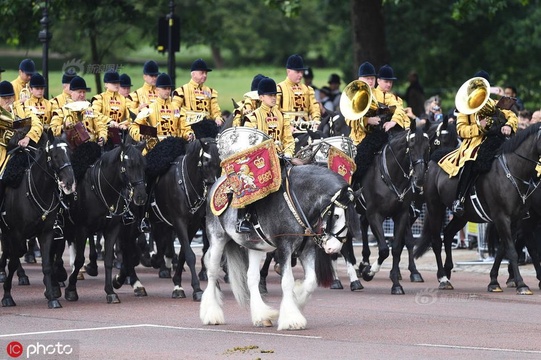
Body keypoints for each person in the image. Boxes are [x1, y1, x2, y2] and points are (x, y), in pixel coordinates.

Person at [438, 71, 518, 216]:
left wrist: (509, 125)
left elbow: (511, 115)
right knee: (470, 160)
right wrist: (479, 127)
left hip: (496, 140)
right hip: (473, 144)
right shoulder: (465, 109)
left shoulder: (494, 103)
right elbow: (461, 130)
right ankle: (460, 199)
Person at [235, 77, 294, 232]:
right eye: (270, 95)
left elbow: (288, 139)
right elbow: (249, 144)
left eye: (275, 95)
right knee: (249, 181)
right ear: (261, 97)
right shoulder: (252, 118)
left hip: (281, 158)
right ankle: (243, 219)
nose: (274, 98)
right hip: (260, 160)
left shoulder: (282, 116)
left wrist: (288, 152)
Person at [345, 62, 408, 146]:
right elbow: (348, 119)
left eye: (372, 78)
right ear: (359, 79)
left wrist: (394, 121)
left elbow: (398, 108)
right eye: (367, 78)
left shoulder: (382, 94)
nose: (370, 81)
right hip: (358, 139)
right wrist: (367, 120)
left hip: (378, 136)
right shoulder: (353, 96)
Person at [129, 73, 194, 152]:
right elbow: (133, 127)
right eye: (164, 88)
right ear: (157, 89)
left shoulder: (178, 109)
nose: (167, 91)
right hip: (154, 149)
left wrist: (189, 134)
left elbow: (185, 128)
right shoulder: (148, 108)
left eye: (169, 88)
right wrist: (142, 134)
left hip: (174, 148)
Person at [0, 80, 43, 190]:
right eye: (5, 98)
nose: (8, 101)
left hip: (21, 149)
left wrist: (28, 137)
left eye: (10, 97)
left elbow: (37, 124)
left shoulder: (22, 108)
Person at [50, 76, 108, 146]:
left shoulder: (91, 110)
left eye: (84, 92)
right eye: (79, 92)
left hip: (91, 146)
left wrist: (102, 137)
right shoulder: (62, 111)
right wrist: (63, 127)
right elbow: (53, 130)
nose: (82, 95)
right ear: (71, 92)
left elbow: (101, 126)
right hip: (71, 149)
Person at [276, 54, 321, 135]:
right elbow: (274, 112)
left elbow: (314, 109)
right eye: (297, 72)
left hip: (307, 130)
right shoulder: (279, 89)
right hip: (286, 132)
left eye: (301, 72)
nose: (300, 75)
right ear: (288, 71)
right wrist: (286, 126)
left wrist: (316, 121)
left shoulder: (308, 89)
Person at [172, 59, 223, 127]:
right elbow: (175, 108)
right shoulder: (181, 91)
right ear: (193, 74)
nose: (205, 75)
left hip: (208, 127)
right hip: (189, 126)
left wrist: (218, 118)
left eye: (206, 73)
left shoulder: (210, 91)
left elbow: (215, 110)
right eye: (202, 73)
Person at [91, 70, 129, 146]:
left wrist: (124, 124)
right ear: (106, 84)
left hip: (120, 134)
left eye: (118, 82)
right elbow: (94, 113)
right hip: (103, 133)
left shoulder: (124, 99)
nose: (116, 85)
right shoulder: (99, 98)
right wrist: (109, 121)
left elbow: (130, 116)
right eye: (113, 83)